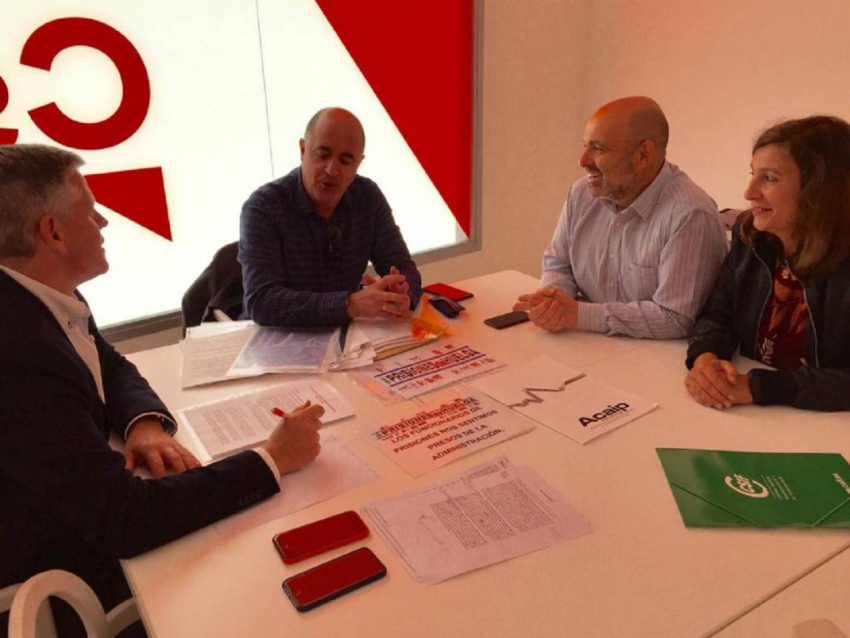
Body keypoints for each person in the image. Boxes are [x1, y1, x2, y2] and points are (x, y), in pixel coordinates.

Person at [0, 144, 325, 635]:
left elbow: (106, 362)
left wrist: (144, 423)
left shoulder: (39, 292)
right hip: (61, 578)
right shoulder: (19, 354)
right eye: (90, 211)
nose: (103, 222)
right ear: (54, 232)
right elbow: (125, 519)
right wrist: (273, 458)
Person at [514, 96, 727, 338]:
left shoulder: (690, 214)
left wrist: (580, 314)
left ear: (643, 155)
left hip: (657, 355)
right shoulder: (581, 193)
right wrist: (554, 303)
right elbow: (558, 264)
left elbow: (675, 318)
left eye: (598, 148)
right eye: (585, 146)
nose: (583, 161)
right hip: (589, 343)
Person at [685, 116, 850, 412]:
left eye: (770, 178)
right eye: (753, 174)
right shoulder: (750, 236)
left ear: (820, 189)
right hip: (760, 416)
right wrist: (706, 358)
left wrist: (758, 387)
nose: (749, 193)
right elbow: (717, 316)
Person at [239, 107, 422, 328]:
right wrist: (349, 304)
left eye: (346, 160)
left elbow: (403, 265)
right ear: (303, 150)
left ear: (358, 164)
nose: (332, 170)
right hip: (276, 338)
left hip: (348, 336)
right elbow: (262, 302)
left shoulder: (368, 198)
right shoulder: (263, 208)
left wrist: (402, 293)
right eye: (323, 154)